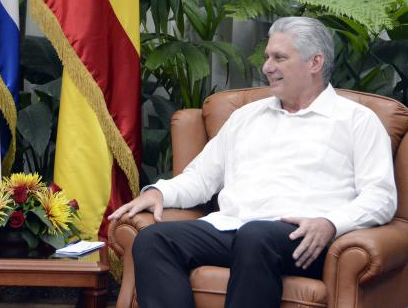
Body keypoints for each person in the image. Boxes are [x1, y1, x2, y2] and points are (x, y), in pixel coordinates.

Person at [109, 16, 397, 308]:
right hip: (232, 228)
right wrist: (159, 192)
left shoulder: (357, 121)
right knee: (153, 239)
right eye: (267, 57)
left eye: (279, 58)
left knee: (256, 234)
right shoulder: (246, 117)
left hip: (304, 237)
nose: (267, 67)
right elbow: (201, 178)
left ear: (315, 63)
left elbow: (381, 197)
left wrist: (330, 223)